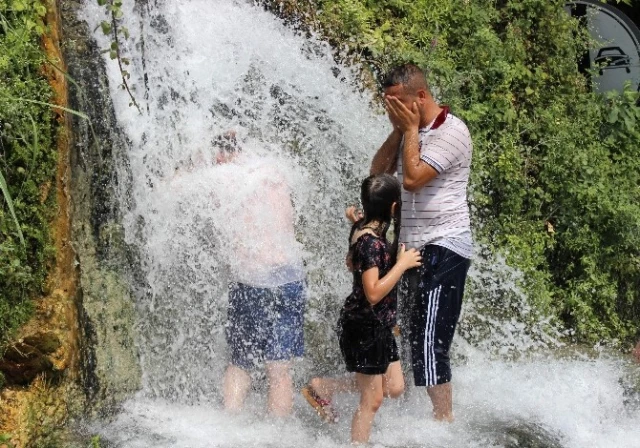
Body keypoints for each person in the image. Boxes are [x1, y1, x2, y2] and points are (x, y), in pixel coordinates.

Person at [367, 63, 474, 422]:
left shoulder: (452, 131)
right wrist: (401, 131)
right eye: (387, 103)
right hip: (411, 248)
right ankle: (418, 416)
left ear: (422, 97)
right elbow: (378, 177)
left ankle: (443, 422)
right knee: (411, 335)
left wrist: (410, 128)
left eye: (398, 102)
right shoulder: (406, 131)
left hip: (445, 245)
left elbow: (412, 179)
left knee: (429, 341)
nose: (391, 109)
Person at [302, 174, 422, 444]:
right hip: (364, 326)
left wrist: (354, 219)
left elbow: (352, 256)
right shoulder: (370, 243)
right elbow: (373, 292)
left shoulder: (363, 229)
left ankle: (324, 386)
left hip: (378, 325)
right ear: (393, 208)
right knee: (373, 400)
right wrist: (402, 265)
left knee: (395, 387)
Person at [212, 134, 307, 417]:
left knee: (240, 361)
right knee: (279, 367)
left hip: (251, 281)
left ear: (219, 154)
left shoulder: (222, 178)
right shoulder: (274, 169)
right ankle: (277, 437)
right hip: (291, 277)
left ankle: (230, 424)